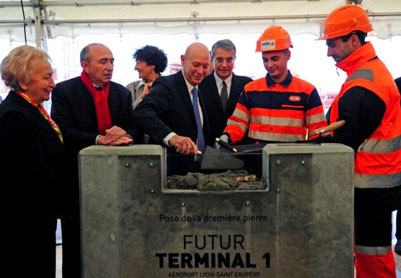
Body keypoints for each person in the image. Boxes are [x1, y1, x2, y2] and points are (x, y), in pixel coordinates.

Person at [319, 4, 401, 277]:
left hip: (370, 185)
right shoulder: (368, 72)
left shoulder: (365, 82)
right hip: (373, 184)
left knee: (372, 256)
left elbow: (344, 140)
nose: (329, 51)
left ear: (354, 40)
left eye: (332, 44)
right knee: (371, 252)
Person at [51, 43, 142, 278]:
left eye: (112, 61)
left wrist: (124, 134)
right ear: (85, 65)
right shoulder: (64, 91)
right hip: (77, 180)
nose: (110, 67)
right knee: (77, 243)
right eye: (103, 61)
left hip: (116, 180)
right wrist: (98, 139)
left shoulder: (121, 93)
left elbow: (135, 128)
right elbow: (63, 130)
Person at [0, 45, 70, 277]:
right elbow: (34, 171)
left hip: (38, 215)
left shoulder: (32, 110)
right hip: (25, 220)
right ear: (23, 82)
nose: (53, 83)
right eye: (47, 77)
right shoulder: (13, 115)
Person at [221, 26, 327, 145]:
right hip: (257, 159)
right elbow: (238, 122)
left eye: (275, 59)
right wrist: (227, 136)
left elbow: (318, 132)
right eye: (265, 60)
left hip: (292, 160)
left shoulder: (307, 91)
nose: (269, 65)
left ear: (288, 55)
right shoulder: (250, 89)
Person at [133, 42, 213, 174]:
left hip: (199, 171)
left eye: (205, 66)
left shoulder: (200, 90)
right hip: (172, 172)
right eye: (196, 65)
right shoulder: (166, 85)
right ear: (183, 60)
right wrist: (172, 137)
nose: (201, 71)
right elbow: (142, 113)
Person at [199, 39, 252, 141]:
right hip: (209, 150)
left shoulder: (247, 85)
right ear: (211, 59)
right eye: (219, 60)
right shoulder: (200, 85)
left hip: (241, 150)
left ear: (234, 59)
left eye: (229, 60)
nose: (224, 65)